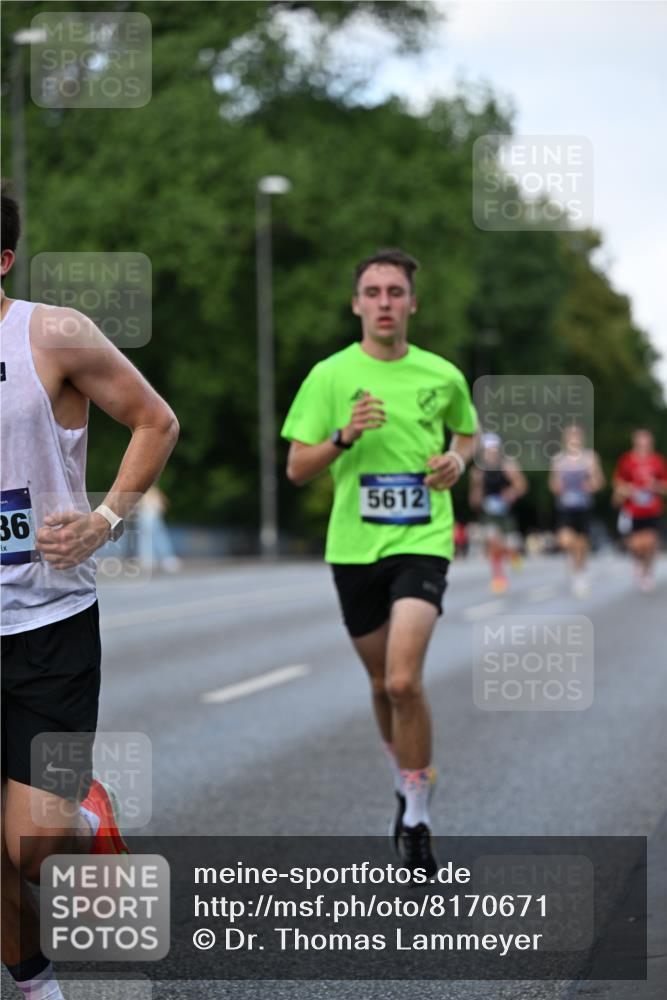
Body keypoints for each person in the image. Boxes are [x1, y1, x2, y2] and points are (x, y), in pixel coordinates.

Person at [1, 183, 179, 999]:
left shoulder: (52, 334)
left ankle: (85, 818)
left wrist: (106, 518)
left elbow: (156, 421)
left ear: (2, 261)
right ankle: (40, 990)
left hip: (47, 624)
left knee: (30, 848)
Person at [282, 248, 477, 876]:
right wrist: (345, 436)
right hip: (354, 548)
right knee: (376, 684)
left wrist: (458, 460)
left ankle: (417, 813)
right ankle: (406, 775)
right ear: (357, 303)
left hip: (423, 538)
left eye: (396, 291)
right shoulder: (330, 376)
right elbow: (296, 467)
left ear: (412, 303)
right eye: (374, 291)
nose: (385, 302)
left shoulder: (442, 375)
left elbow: (465, 432)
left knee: (401, 680)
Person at [549, 425, 605, 597]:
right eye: (570, 435)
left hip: (583, 507)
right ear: (565, 439)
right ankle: (571, 559)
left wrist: (590, 485)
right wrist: (558, 487)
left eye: (576, 435)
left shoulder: (590, 458)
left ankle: (580, 575)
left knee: (582, 544)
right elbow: (553, 484)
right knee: (565, 541)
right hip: (565, 507)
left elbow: (600, 481)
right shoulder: (559, 460)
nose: (573, 438)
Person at [468, 433, 527, 593]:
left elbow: (521, 485)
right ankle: (498, 578)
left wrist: (511, 493)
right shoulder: (478, 470)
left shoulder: (508, 465)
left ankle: (513, 554)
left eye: (493, 450)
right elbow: (474, 495)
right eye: (488, 450)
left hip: (505, 512)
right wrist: (476, 496)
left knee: (508, 544)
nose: (490, 453)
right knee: (492, 543)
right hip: (489, 512)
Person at [612, 429, 667, 592]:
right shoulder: (627, 460)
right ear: (635, 443)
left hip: (652, 509)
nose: (644, 446)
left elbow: (664, 486)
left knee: (650, 543)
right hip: (633, 510)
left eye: (647, 443)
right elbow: (618, 483)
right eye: (640, 443)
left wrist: (655, 485)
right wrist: (627, 489)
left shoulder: (657, 461)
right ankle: (638, 562)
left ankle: (647, 573)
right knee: (636, 545)